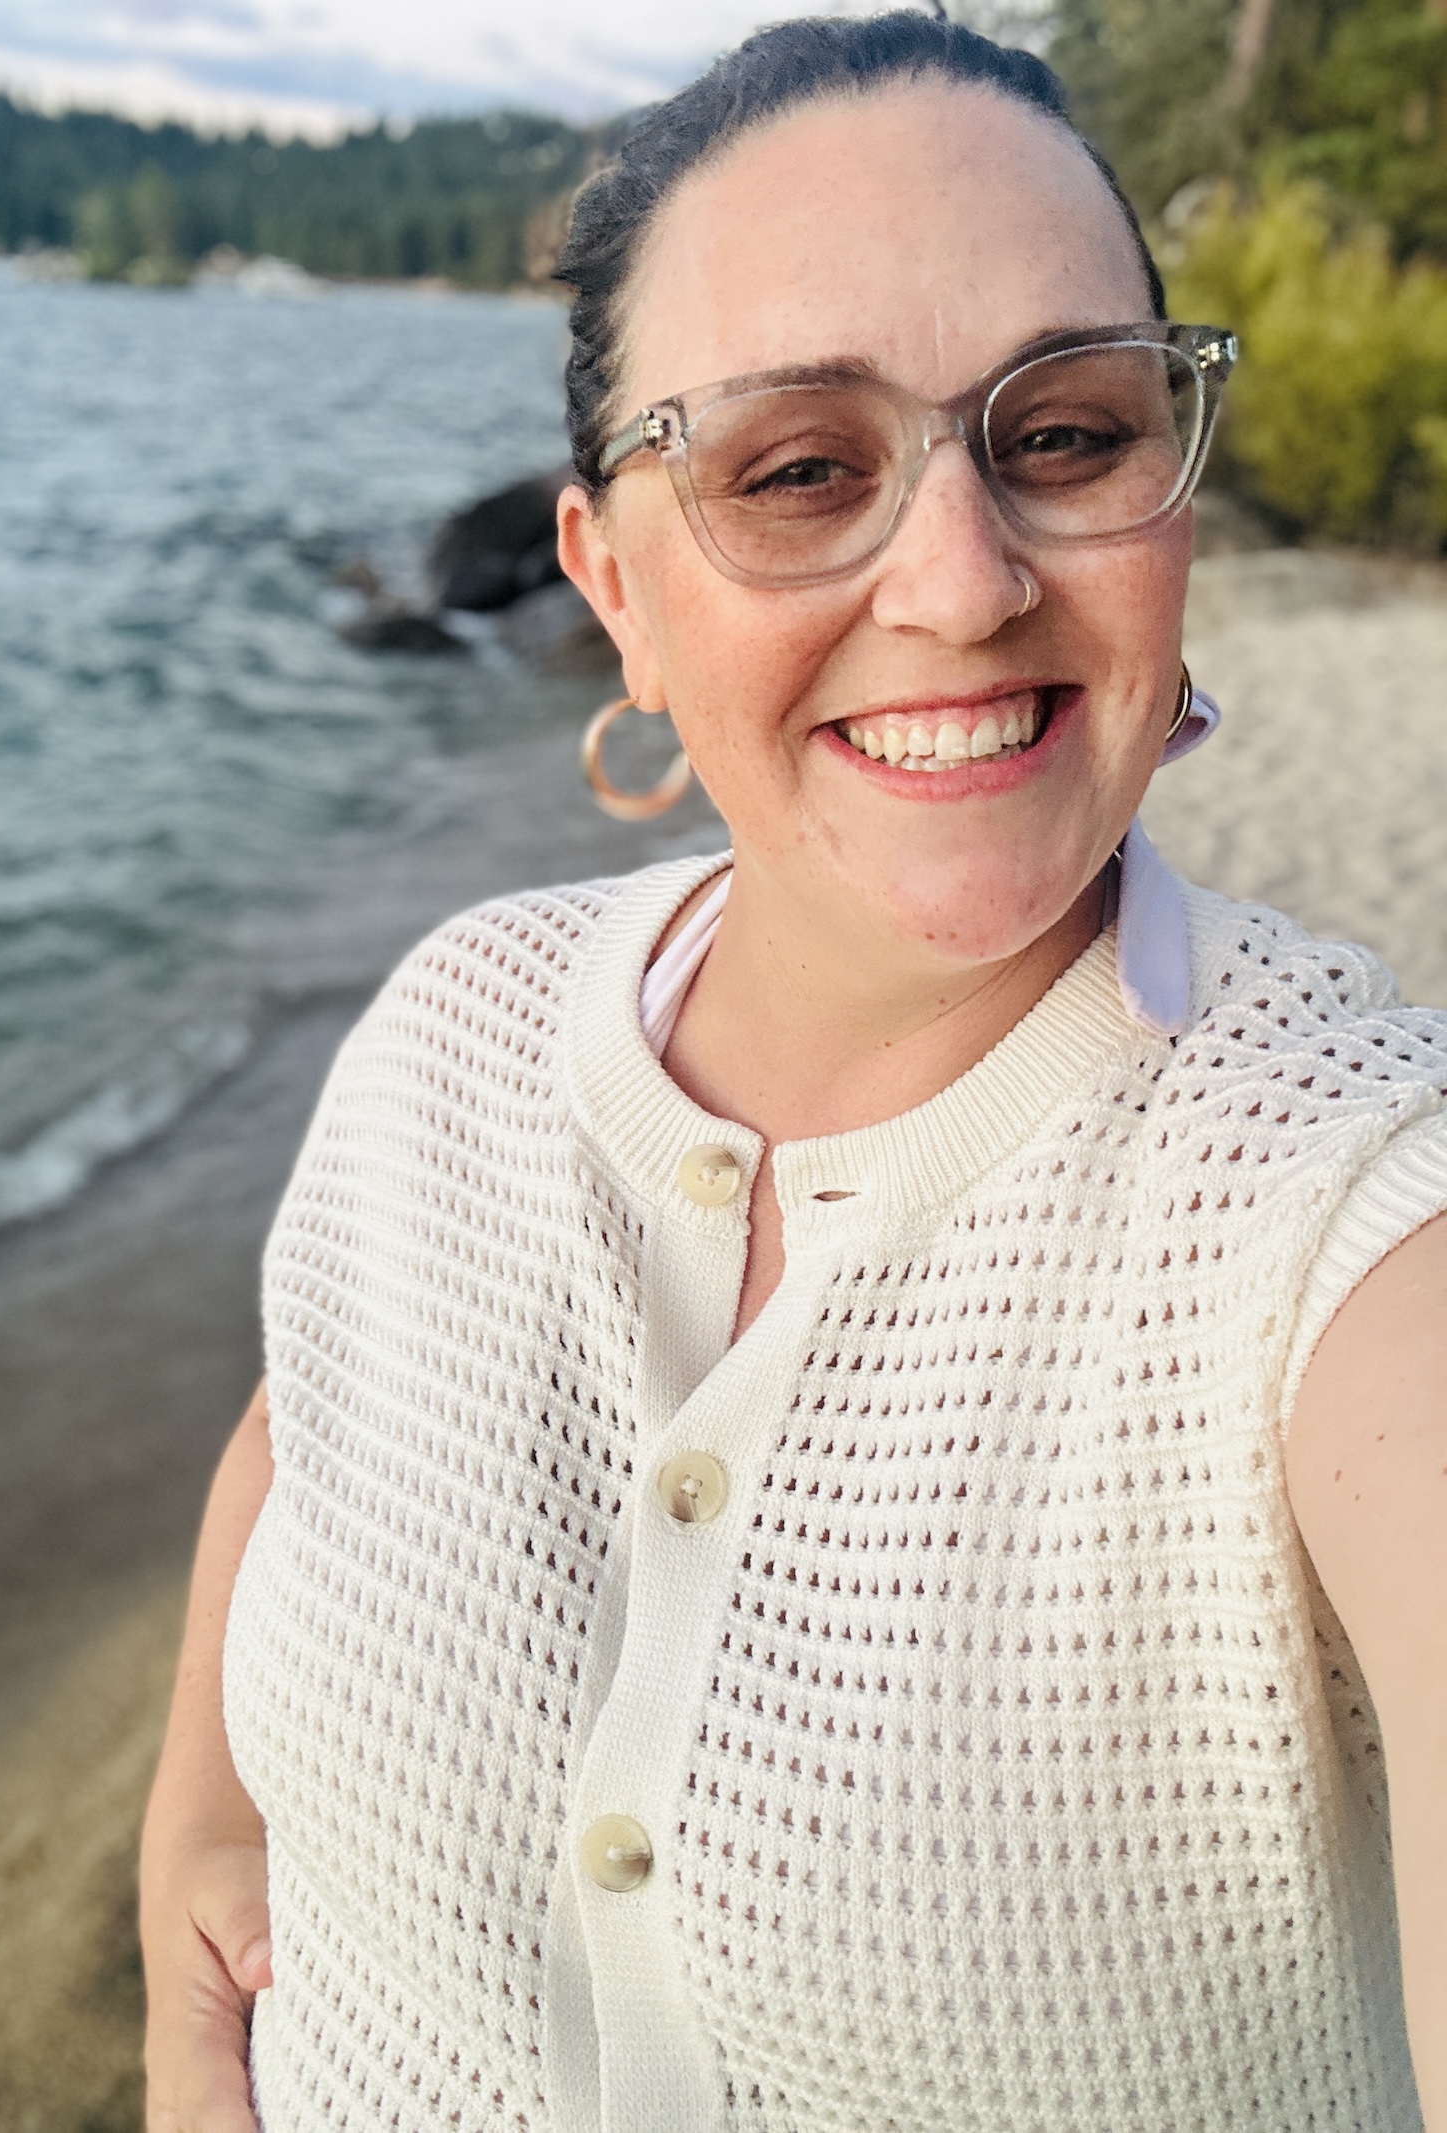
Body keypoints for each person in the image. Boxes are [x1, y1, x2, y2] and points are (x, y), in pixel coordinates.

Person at [140, 15, 1447, 2132]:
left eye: (1069, 430)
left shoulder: (1335, 1209)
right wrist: (189, 1833)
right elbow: (308, 1414)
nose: (958, 584)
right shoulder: (457, 1026)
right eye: (794, 468)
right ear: (610, 591)